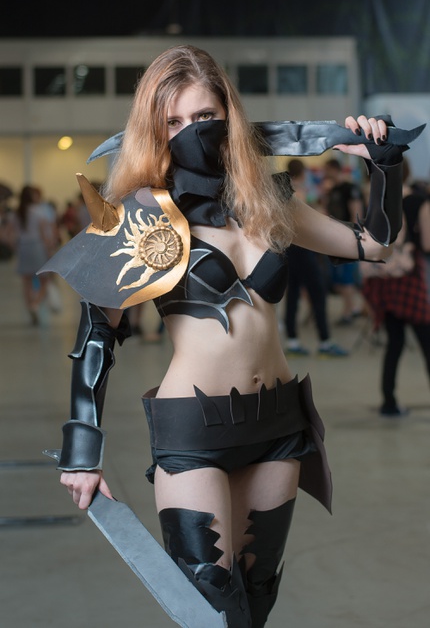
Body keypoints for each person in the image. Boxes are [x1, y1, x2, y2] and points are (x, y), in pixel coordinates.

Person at [39, 45, 409, 626]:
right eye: (173, 121)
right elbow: (96, 334)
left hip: (278, 423)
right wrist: (82, 452)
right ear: (153, 129)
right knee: (209, 610)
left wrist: (382, 165)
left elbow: (374, 245)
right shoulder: (140, 216)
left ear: (228, 114)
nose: (191, 131)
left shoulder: (268, 199)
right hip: (193, 429)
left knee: (255, 604)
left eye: (205, 116)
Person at [361, 158, 430, 417]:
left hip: (382, 278)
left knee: (394, 343)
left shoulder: (375, 200)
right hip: (409, 277)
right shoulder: (418, 201)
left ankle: (388, 402)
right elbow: (427, 243)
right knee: (426, 341)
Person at [284, 159, 349, 357]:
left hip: (288, 249)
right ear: (302, 172)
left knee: (292, 295)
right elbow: (309, 219)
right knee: (318, 292)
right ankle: (325, 342)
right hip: (303, 249)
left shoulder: (283, 192)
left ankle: (292, 341)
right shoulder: (300, 192)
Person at [319, 157, 365, 324]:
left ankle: (349, 312)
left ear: (334, 169)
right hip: (334, 240)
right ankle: (353, 308)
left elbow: (356, 213)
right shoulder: (331, 190)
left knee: (347, 279)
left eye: (326, 170)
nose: (324, 173)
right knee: (338, 281)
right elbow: (325, 212)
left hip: (347, 239)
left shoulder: (349, 188)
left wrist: (353, 237)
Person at [12, 185, 54, 324]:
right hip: (37, 247)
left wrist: (15, 246)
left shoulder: (16, 213)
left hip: (23, 247)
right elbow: (44, 234)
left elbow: (10, 232)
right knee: (44, 280)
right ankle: (35, 304)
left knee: (27, 283)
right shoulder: (38, 211)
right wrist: (49, 250)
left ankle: (30, 307)